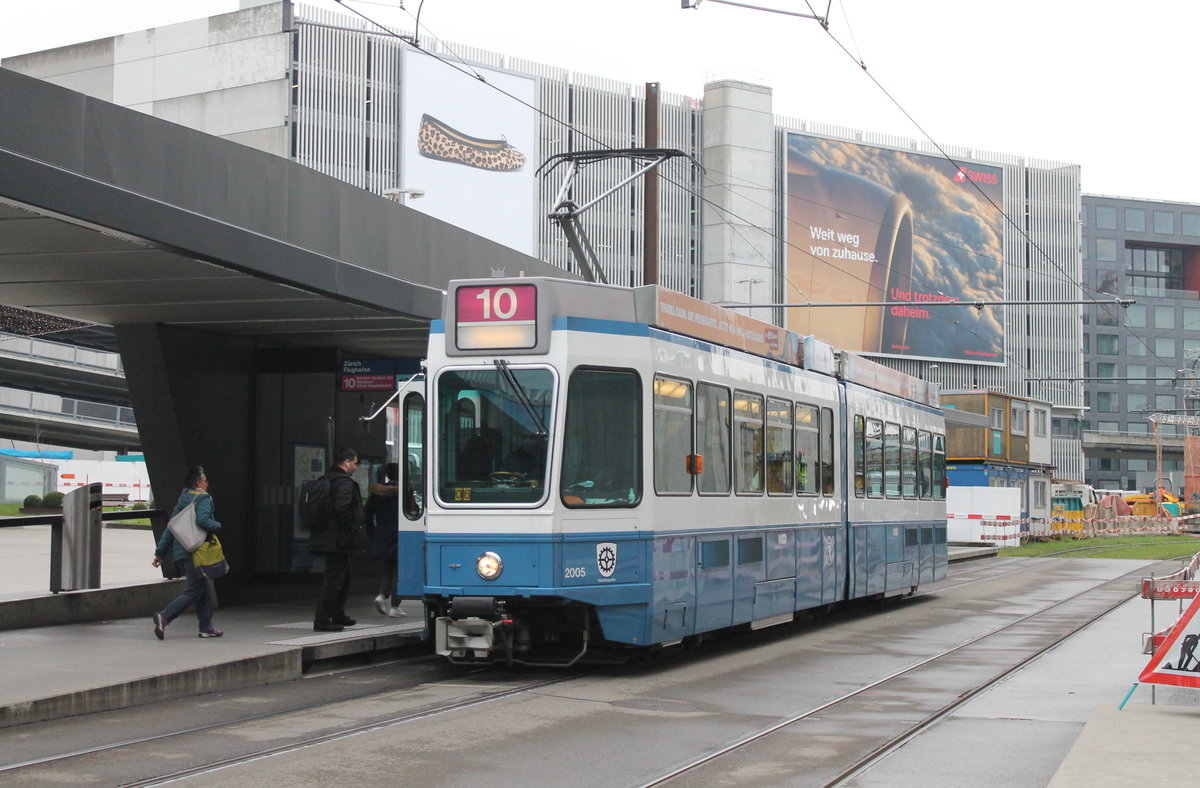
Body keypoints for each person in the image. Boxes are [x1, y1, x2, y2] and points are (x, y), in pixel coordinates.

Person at [151, 465, 223, 639]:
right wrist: (218, 526)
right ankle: (165, 617)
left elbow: (171, 529)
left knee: (203, 590)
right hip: (196, 553)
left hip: (182, 554)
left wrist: (160, 553)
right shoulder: (203, 498)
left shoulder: (184, 499)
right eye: (205, 480)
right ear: (198, 482)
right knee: (193, 592)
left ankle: (206, 628)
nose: (207, 483)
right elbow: (203, 520)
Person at [309, 447, 365, 632]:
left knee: (344, 576)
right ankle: (323, 619)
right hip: (339, 540)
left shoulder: (327, 479)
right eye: (355, 463)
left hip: (328, 537)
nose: (356, 467)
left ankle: (338, 613)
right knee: (334, 579)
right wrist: (352, 528)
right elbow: (343, 508)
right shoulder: (344, 483)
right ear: (347, 462)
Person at [365, 462, 406, 618]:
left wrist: (373, 532)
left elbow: (367, 513)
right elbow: (414, 510)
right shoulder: (404, 492)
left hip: (382, 535)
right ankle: (395, 606)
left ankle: (382, 596)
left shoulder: (377, 494)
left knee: (388, 569)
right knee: (400, 573)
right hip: (400, 536)